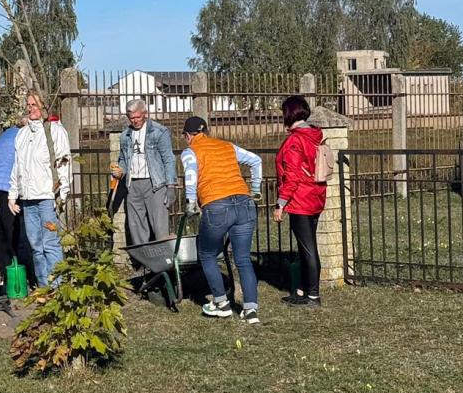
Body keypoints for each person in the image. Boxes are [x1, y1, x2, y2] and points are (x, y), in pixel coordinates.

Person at [181, 116, 263, 325]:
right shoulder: (227, 146)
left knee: (207, 254)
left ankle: (221, 304)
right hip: (244, 203)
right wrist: (255, 190)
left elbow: (191, 175)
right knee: (243, 258)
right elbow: (256, 160)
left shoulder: (191, 151)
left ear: (188, 136)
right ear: (206, 132)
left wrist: (191, 202)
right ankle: (250, 310)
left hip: (216, 205)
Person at [7, 92, 71, 286]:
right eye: (28, 104)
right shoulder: (22, 134)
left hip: (47, 196)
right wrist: (12, 194)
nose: (31, 108)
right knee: (35, 245)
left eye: (35, 104)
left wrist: (63, 193)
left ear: (44, 107)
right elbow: (16, 166)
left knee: (50, 243)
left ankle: (57, 287)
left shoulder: (54, 131)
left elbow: (64, 163)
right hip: (28, 198)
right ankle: (44, 287)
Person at [273, 96, 328, 307]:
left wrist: (281, 203)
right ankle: (305, 290)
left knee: (307, 248)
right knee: (308, 245)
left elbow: (293, 176)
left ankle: (312, 295)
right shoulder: (314, 135)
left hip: (301, 199)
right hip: (315, 195)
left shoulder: (296, 141)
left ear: (289, 114)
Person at [110, 99, 177, 245]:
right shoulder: (125, 136)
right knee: (136, 227)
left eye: (137, 117)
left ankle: (164, 262)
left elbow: (169, 159)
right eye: (131, 118)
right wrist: (121, 170)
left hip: (155, 184)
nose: (134, 121)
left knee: (160, 226)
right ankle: (144, 262)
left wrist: (171, 186)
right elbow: (123, 159)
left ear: (145, 114)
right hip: (132, 185)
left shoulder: (159, 132)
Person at [0, 118, 31, 301]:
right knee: (13, 232)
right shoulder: (23, 136)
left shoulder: (3, 136)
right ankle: (15, 273)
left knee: (1, 232)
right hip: (9, 187)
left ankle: (5, 273)